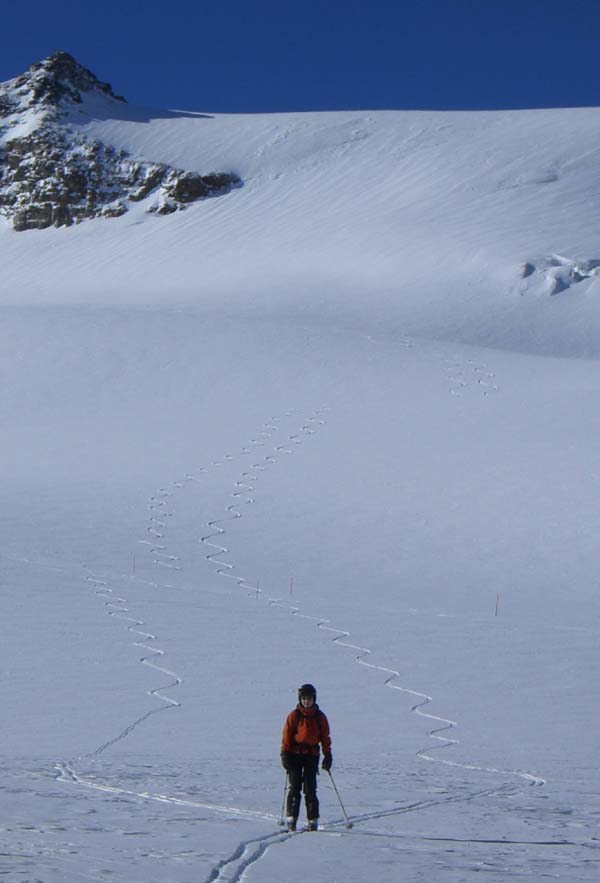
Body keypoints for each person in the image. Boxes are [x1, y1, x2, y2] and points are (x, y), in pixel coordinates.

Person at [280, 683, 332, 831]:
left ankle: (312, 819)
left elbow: (325, 737)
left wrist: (327, 755)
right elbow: (287, 735)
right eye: (304, 699)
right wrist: (284, 754)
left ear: (314, 699)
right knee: (294, 787)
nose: (306, 701)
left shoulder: (320, 717)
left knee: (310, 788)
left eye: (309, 698)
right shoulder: (294, 716)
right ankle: (291, 817)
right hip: (294, 755)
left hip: (311, 755)